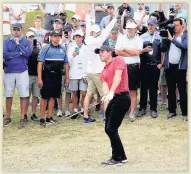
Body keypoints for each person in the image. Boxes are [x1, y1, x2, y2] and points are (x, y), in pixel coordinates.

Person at [94, 45, 130, 166]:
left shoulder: (118, 60)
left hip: (122, 97)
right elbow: (104, 85)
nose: (100, 54)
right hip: (113, 99)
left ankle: (117, 158)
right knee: (108, 128)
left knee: (111, 129)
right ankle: (122, 156)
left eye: (102, 51)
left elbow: (117, 77)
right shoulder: (103, 70)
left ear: (110, 52)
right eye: (99, 53)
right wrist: (105, 95)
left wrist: (111, 92)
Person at [82, 9, 117, 124]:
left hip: (89, 72)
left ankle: (85, 116)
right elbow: (107, 30)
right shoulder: (99, 41)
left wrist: (87, 16)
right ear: (96, 32)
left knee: (89, 94)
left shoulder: (87, 38)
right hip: (97, 72)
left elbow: (87, 28)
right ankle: (106, 118)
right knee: (104, 95)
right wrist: (115, 19)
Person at [37, 30, 69, 126]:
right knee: (44, 97)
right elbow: (40, 63)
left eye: (58, 36)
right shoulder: (45, 48)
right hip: (47, 75)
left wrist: (67, 78)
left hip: (58, 75)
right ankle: (42, 118)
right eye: (55, 36)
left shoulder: (63, 49)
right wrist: (39, 78)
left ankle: (49, 117)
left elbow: (66, 64)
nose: (57, 38)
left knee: (53, 97)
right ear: (51, 37)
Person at [3, 23, 32, 128]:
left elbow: (27, 53)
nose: (16, 31)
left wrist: (19, 45)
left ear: (21, 30)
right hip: (9, 72)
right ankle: (8, 117)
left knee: (24, 95)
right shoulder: (5, 41)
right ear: (12, 30)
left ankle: (23, 117)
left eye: (18, 30)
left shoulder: (26, 41)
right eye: (14, 29)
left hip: (22, 71)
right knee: (8, 95)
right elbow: (5, 54)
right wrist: (19, 53)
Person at [115, 20, 143, 122]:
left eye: (132, 28)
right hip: (122, 66)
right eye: (128, 28)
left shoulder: (139, 39)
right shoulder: (121, 37)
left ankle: (132, 111)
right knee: (121, 90)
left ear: (135, 29)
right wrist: (131, 52)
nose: (130, 30)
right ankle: (123, 110)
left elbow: (137, 52)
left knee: (132, 90)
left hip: (133, 67)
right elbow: (117, 51)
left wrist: (125, 49)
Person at [137, 19, 164, 118]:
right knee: (143, 88)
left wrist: (161, 63)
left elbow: (163, 52)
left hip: (154, 66)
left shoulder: (160, 37)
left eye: (152, 25)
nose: (150, 27)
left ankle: (153, 109)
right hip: (144, 65)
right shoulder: (142, 37)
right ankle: (142, 108)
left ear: (155, 25)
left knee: (153, 88)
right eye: (148, 25)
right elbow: (138, 51)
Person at [162, 18, 188, 121]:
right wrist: (165, 40)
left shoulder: (185, 36)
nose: (175, 27)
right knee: (171, 89)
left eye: (177, 25)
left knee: (182, 90)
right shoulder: (170, 35)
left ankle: (185, 113)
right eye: (174, 25)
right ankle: (172, 111)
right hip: (170, 66)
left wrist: (173, 39)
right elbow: (162, 48)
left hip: (180, 67)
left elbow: (185, 46)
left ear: (182, 26)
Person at [68, 30, 88, 119]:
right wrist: (73, 55)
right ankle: (75, 110)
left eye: (80, 37)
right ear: (74, 38)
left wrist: (87, 74)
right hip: (73, 74)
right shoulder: (71, 48)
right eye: (76, 37)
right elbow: (68, 62)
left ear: (82, 38)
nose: (78, 38)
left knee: (84, 93)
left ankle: (84, 110)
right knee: (75, 93)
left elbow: (88, 62)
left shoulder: (86, 48)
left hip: (83, 74)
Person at [25, 31, 41, 121]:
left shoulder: (38, 48)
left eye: (33, 37)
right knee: (26, 96)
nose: (31, 39)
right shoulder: (24, 49)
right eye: (29, 37)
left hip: (37, 75)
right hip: (27, 75)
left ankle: (33, 113)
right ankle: (24, 114)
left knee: (35, 96)